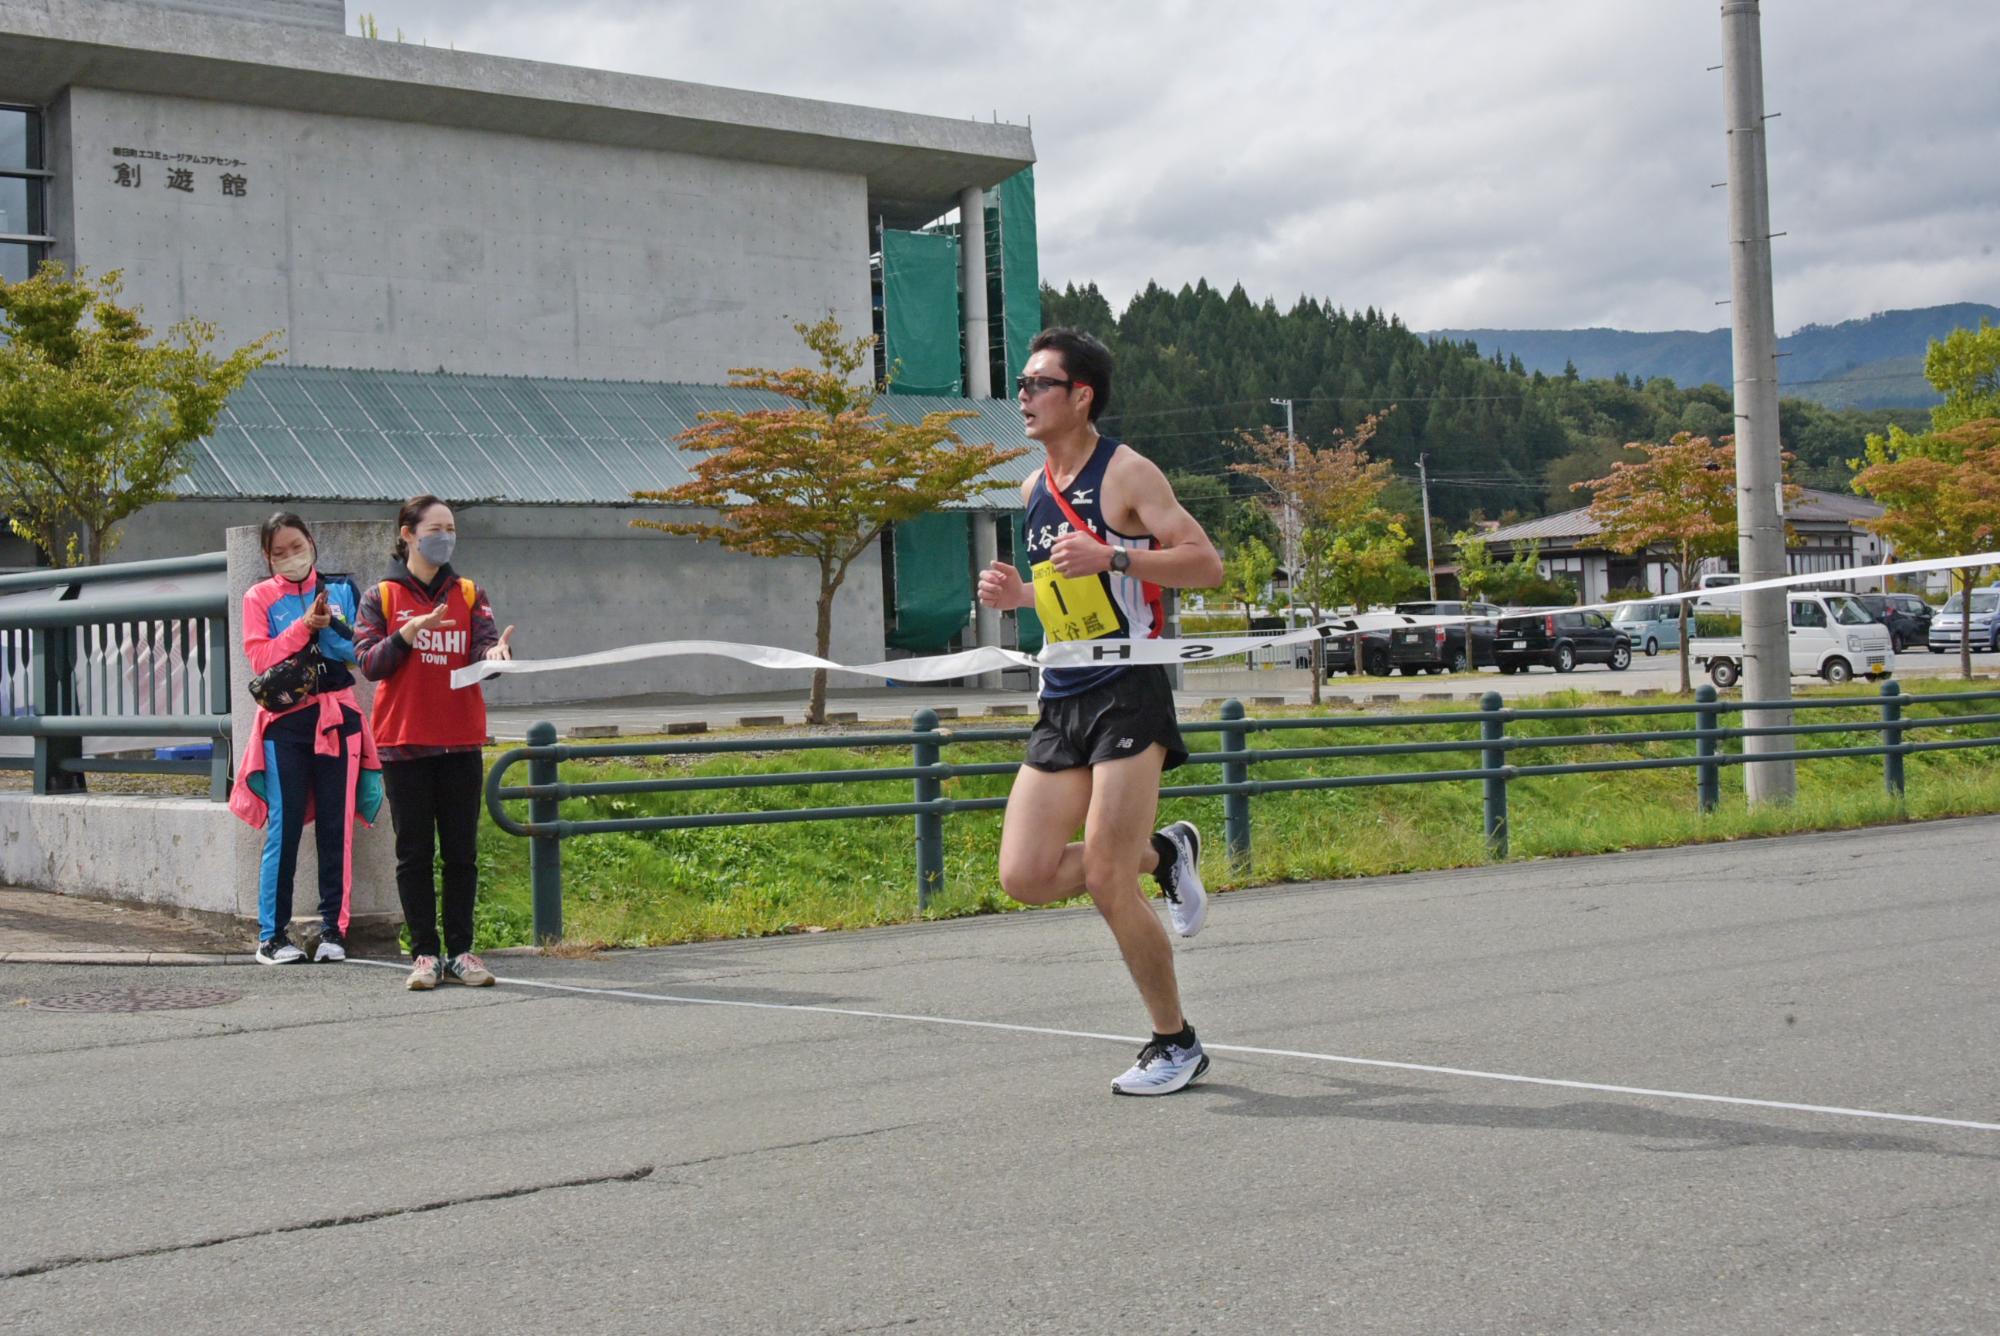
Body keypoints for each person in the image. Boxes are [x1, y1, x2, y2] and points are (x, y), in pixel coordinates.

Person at [977, 328, 1225, 1096]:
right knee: (1023, 874)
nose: (1022, 397)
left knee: (1106, 875)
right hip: (1064, 695)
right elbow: (1068, 597)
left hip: (1129, 688)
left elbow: (1206, 564)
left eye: (1037, 385)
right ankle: (1167, 854)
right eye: (1019, 385)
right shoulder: (1031, 489)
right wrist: (1021, 597)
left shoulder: (1126, 473)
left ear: (1079, 396)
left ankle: (1174, 1041)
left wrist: (1117, 555)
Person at [356, 496, 514, 991]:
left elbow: (481, 650)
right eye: (435, 527)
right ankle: (424, 952)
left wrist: (498, 654)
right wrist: (406, 634)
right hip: (404, 743)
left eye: (451, 528)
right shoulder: (380, 596)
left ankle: (463, 952)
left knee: (462, 853)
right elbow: (370, 663)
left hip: (460, 741)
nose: (444, 536)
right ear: (408, 533)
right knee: (414, 854)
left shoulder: (469, 592)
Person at [230, 513, 383, 965]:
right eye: (279, 552)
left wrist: (330, 624)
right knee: (286, 825)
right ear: (266, 557)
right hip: (286, 724)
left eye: (296, 547)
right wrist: (302, 628)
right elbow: (261, 658)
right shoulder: (258, 596)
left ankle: (334, 929)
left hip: (338, 716)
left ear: (312, 544)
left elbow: (356, 652)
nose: (290, 557)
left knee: (337, 825)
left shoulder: (340, 591)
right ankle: (271, 936)